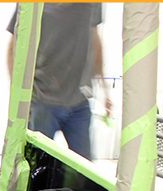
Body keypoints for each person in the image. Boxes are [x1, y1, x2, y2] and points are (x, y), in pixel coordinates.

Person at [6, 3, 111, 161]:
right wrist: (18, 95)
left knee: (83, 169)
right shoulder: (33, 5)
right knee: (36, 164)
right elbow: (13, 46)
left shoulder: (91, 5)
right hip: (42, 100)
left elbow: (94, 41)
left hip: (79, 101)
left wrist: (104, 89)